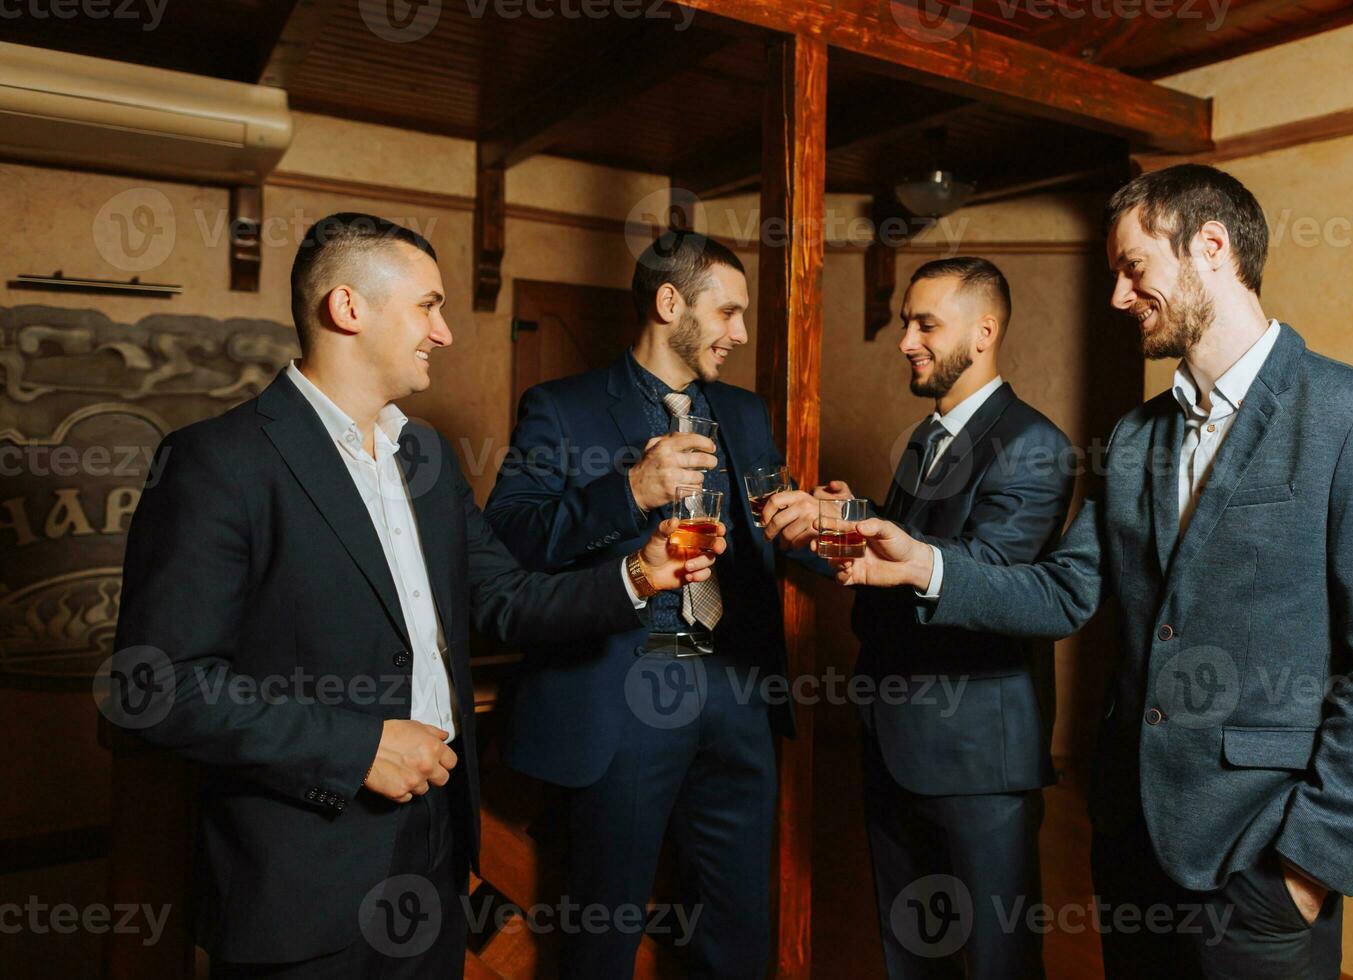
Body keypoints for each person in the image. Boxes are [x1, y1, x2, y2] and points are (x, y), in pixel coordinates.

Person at [832, 165, 1353, 980]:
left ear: (1212, 247)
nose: (1120, 296)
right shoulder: (1133, 438)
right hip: (1129, 852)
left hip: (1260, 864)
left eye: (1133, 269)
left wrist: (1308, 866)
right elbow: (1065, 590)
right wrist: (926, 566)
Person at [109, 213, 720, 978]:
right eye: (428, 306)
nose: (446, 333)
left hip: (436, 842)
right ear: (348, 308)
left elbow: (505, 597)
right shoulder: (216, 461)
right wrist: (358, 746)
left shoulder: (424, 454)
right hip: (301, 869)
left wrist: (636, 576)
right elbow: (159, 685)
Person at [486, 230, 827, 979]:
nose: (741, 332)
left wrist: (813, 524)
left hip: (737, 689)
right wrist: (629, 492)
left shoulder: (743, 412)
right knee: (602, 934)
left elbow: (769, 519)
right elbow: (509, 537)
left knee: (739, 929)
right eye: (728, 312)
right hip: (621, 694)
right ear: (670, 303)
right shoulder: (560, 408)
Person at [779, 257, 1073, 977]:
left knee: (996, 963)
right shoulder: (925, 438)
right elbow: (895, 564)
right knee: (910, 952)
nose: (906, 339)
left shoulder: (1035, 445)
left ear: (984, 332)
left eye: (925, 325)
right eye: (906, 321)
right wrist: (829, 526)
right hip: (892, 740)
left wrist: (868, 531)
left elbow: (988, 580)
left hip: (978, 758)